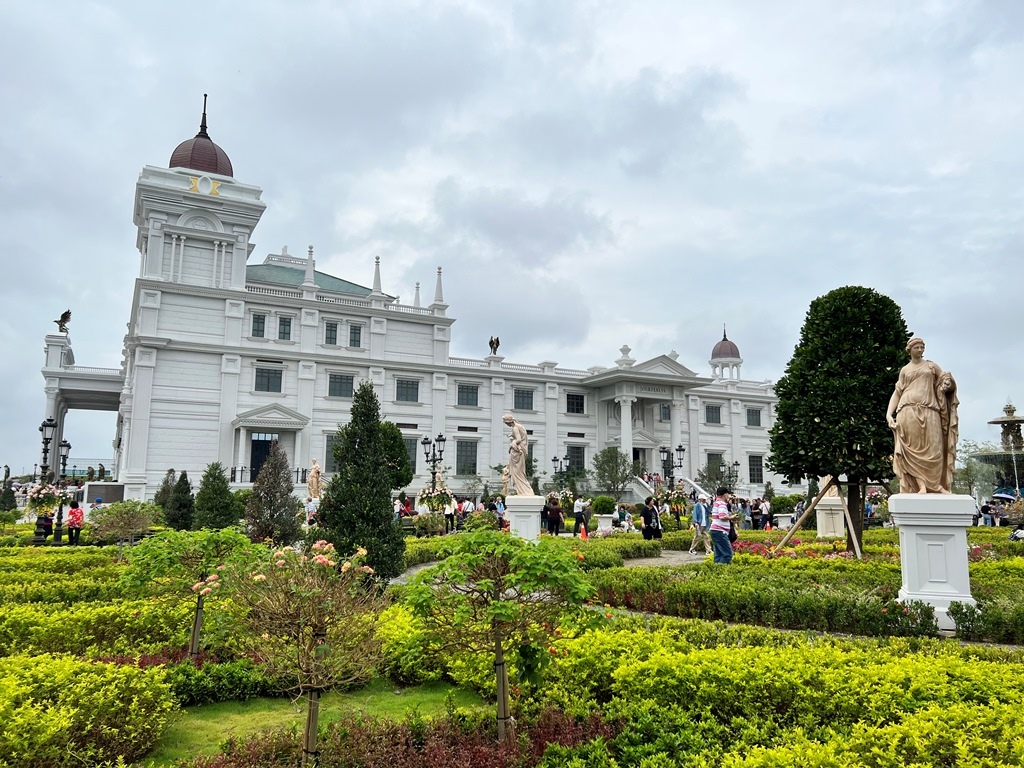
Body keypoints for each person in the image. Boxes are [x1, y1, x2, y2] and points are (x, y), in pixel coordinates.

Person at [886, 337, 958, 494]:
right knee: (912, 450)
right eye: (917, 347)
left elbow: (947, 380)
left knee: (935, 447)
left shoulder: (931, 366)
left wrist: (947, 384)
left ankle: (937, 485)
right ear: (910, 350)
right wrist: (889, 414)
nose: (920, 350)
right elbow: (897, 393)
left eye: (922, 347)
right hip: (907, 410)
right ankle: (921, 486)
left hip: (930, 410)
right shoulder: (905, 370)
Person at [502, 414, 535, 496]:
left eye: (507, 423)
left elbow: (519, 440)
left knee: (517, 473)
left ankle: (524, 491)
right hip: (521, 451)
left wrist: (511, 444)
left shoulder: (515, 428)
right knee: (520, 473)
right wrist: (512, 434)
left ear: (509, 422)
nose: (507, 425)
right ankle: (524, 491)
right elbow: (522, 437)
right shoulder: (520, 426)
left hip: (517, 451)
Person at [709, 487, 737, 564]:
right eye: (728, 494)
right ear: (725, 494)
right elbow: (722, 516)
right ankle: (721, 571)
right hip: (720, 531)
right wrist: (732, 517)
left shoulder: (716, 503)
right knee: (727, 554)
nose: (728, 496)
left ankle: (716, 571)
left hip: (715, 530)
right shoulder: (722, 504)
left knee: (718, 555)